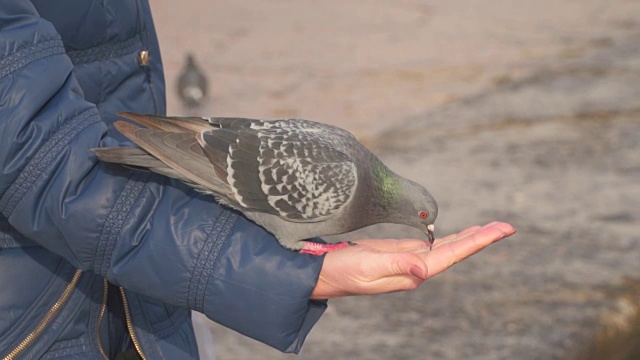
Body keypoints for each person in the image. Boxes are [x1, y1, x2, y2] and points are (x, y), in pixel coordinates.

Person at [0, 1, 515, 359]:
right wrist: (302, 266)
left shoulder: (348, 153)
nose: (424, 228)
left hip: (136, 308)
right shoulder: (342, 181)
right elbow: (31, 147)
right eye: (424, 221)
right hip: (34, 323)